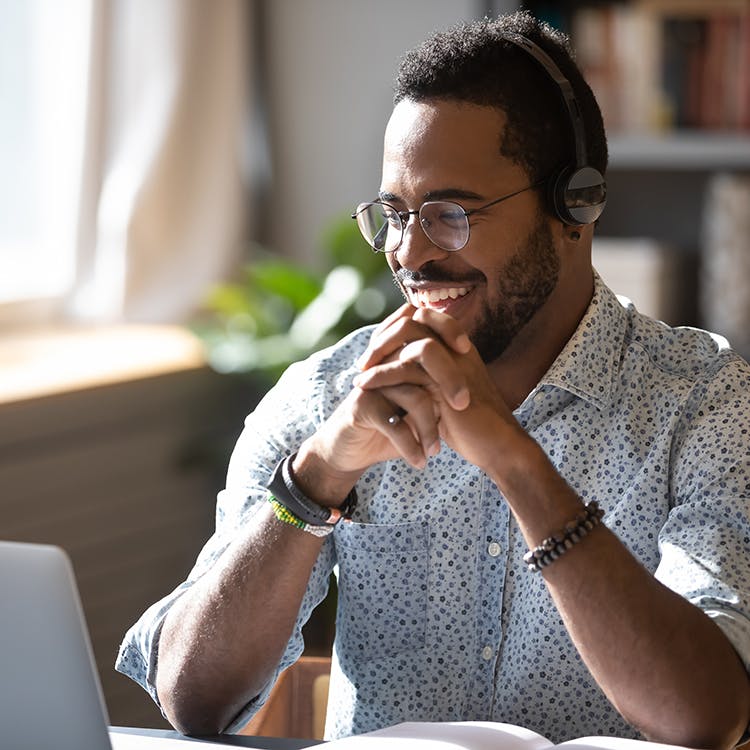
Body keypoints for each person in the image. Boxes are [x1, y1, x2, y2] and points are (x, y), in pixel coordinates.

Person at [116, 11, 750, 749]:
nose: (409, 253)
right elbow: (191, 700)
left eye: (450, 213)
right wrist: (316, 479)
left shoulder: (709, 404)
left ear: (575, 205)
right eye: (393, 213)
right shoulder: (327, 397)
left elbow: (708, 716)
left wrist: (515, 462)